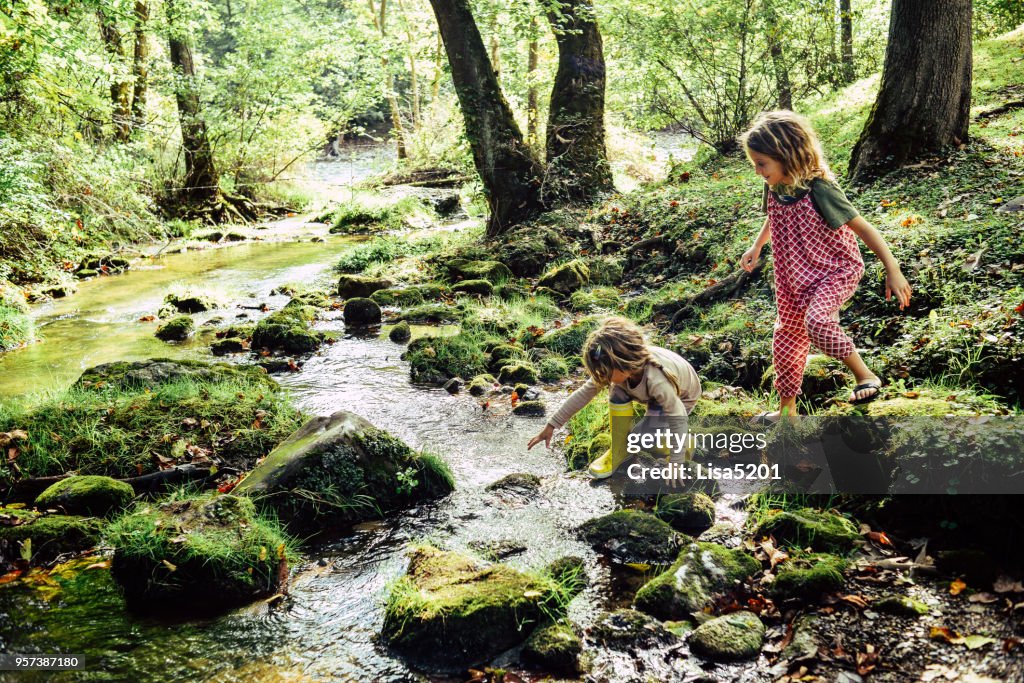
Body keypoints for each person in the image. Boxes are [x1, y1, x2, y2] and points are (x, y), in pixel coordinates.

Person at [738, 110, 912, 421]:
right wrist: (757, 245)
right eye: (755, 164)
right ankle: (787, 412)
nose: (758, 171)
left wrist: (892, 268)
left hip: (833, 270)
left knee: (817, 322)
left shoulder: (820, 189)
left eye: (761, 164)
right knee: (786, 339)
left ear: (786, 155)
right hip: (792, 277)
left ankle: (865, 375)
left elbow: (864, 228)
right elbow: (772, 217)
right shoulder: (776, 184)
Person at [527, 317, 701, 478]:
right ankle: (618, 450)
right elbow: (583, 393)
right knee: (616, 390)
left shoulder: (657, 380)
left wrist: (677, 463)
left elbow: (677, 417)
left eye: (605, 372)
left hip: (683, 395)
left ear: (623, 364)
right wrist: (551, 425)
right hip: (648, 390)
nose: (601, 377)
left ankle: (686, 444)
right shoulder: (618, 370)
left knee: (643, 440)